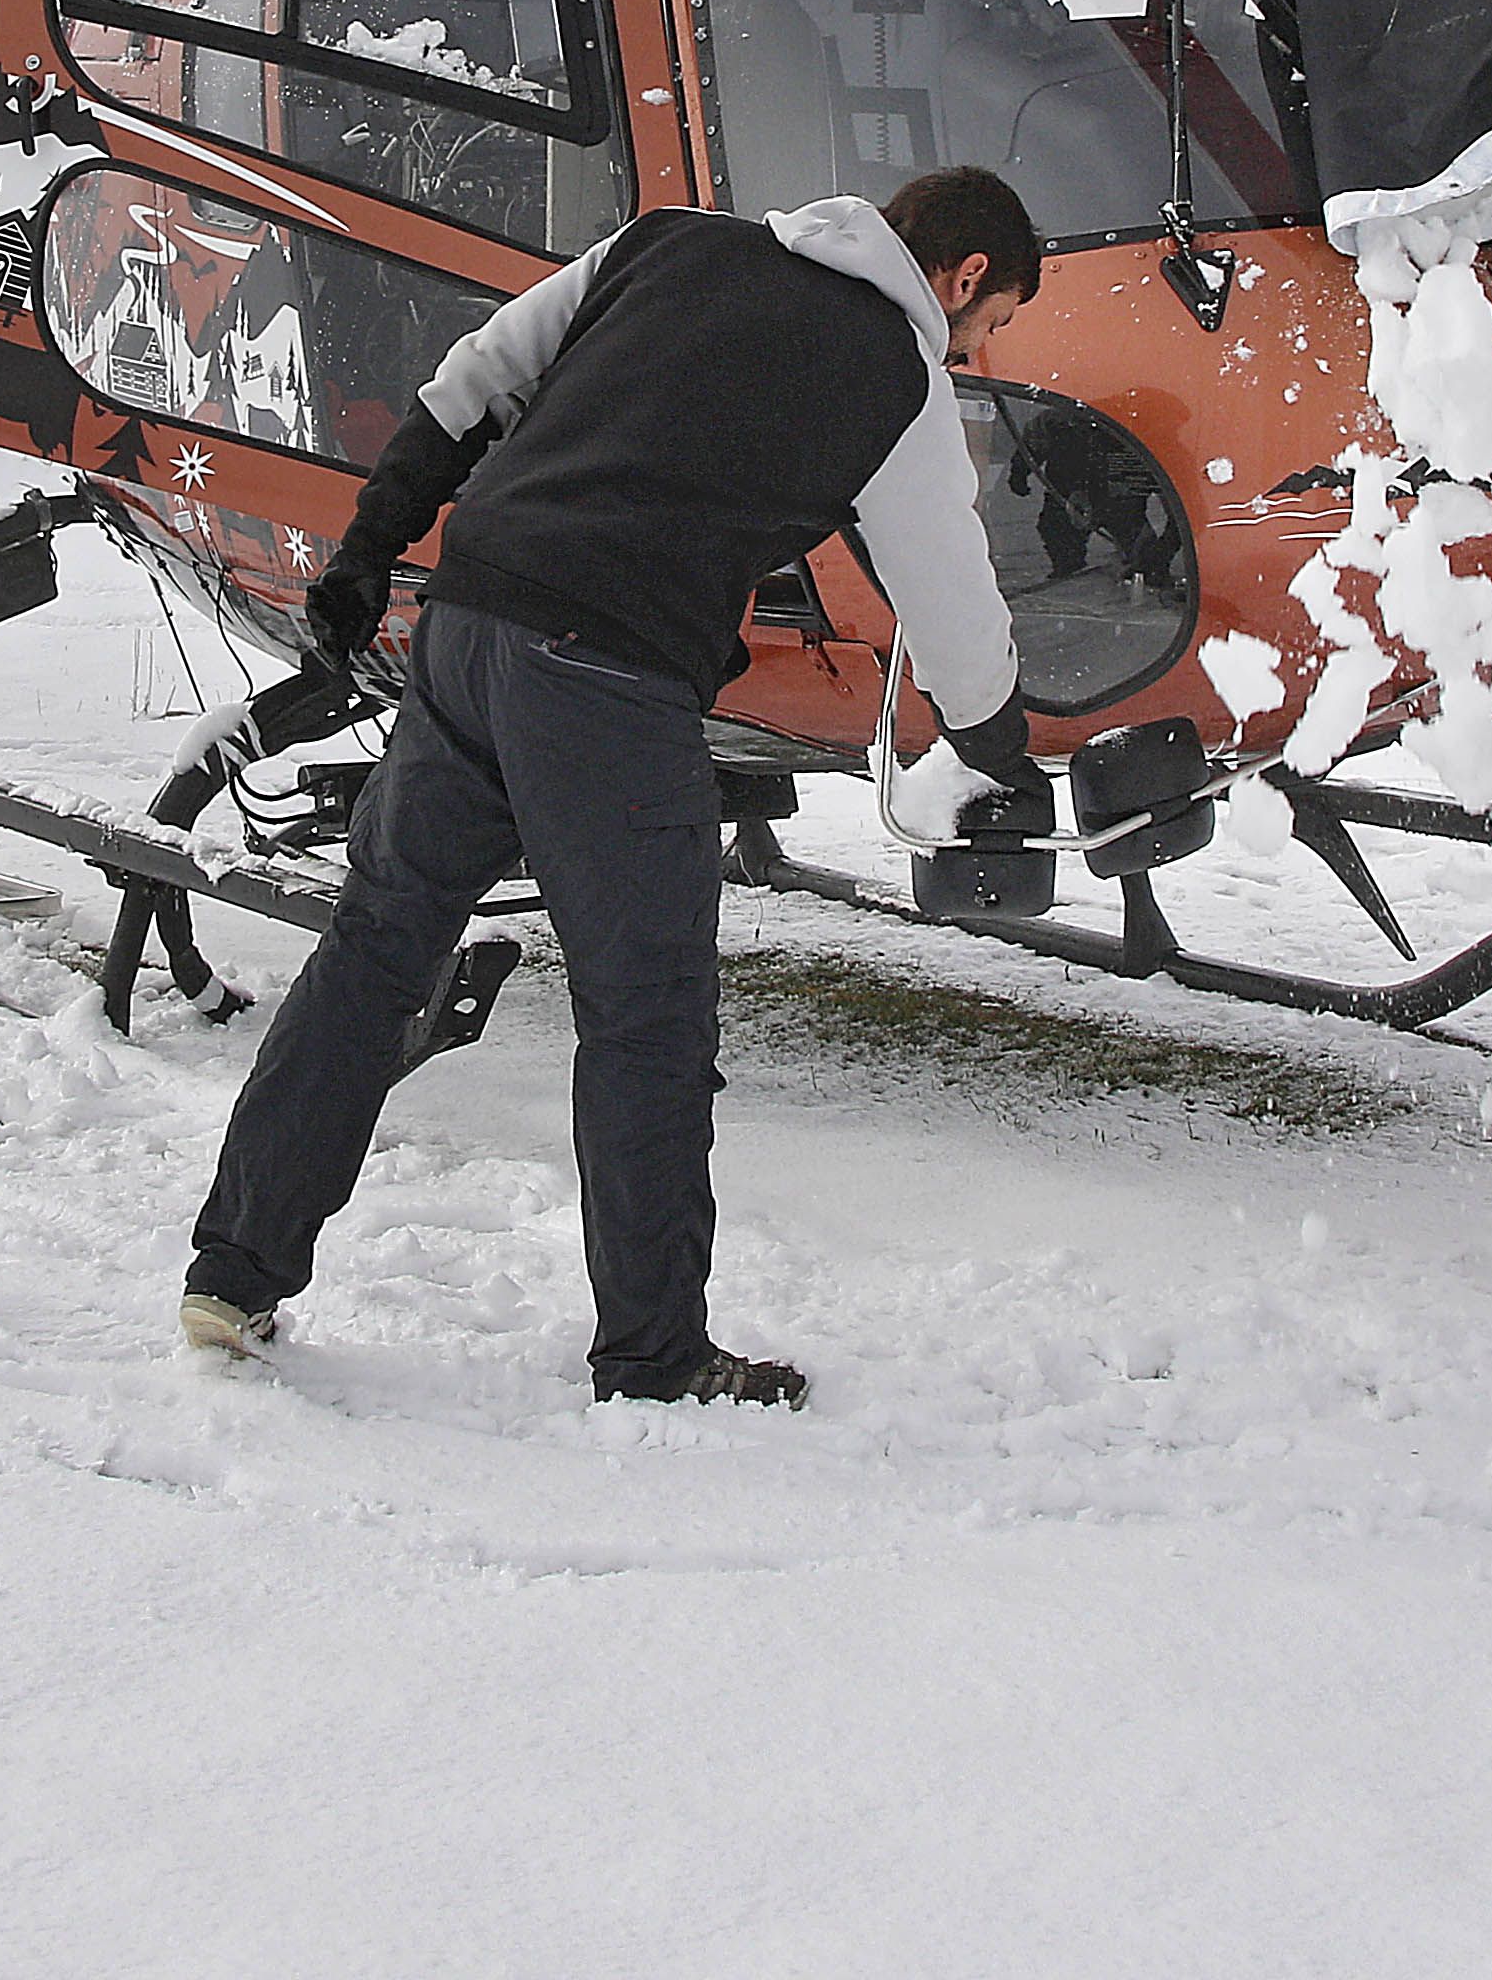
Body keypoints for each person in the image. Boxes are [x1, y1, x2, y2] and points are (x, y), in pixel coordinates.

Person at [181, 167, 1049, 1408]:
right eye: (995, 319)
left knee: (377, 949)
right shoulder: (893, 368)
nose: (979, 344)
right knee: (646, 1016)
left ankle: (234, 1270)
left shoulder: (670, 244)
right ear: (962, 277)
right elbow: (950, 591)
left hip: (470, 624)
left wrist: (370, 551)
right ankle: (653, 1354)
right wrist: (997, 740)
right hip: (603, 681)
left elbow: (471, 381)